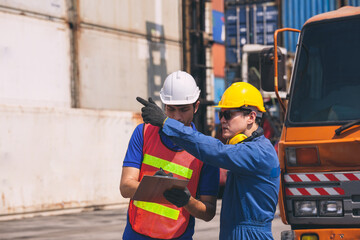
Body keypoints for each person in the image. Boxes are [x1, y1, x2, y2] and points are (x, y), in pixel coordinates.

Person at [137, 81, 280, 240]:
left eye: (228, 114)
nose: (223, 120)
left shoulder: (259, 152)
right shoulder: (249, 150)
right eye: (221, 114)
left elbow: (216, 150)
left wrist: (167, 123)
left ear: (251, 117)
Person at [120, 70, 219, 240]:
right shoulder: (143, 133)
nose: (176, 117)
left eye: (184, 110)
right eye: (171, 109)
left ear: (196, 106)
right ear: (164, 105)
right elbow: (125, 187)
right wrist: (157, 186)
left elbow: (208, 212)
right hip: (136, 234)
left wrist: (187, 200)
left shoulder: (204, 150)